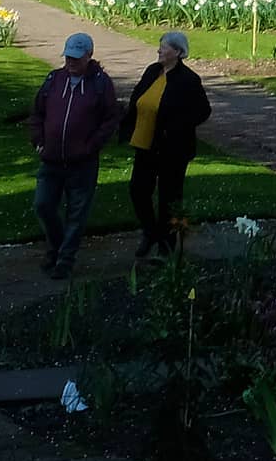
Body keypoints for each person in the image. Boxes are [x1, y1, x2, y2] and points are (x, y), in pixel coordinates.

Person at [26, 32, 121, 278]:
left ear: (89, 56)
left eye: (77, 58)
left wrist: (91, 145)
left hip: (82, 163)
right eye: (68, 57)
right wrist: (38, 141)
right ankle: (57, 248)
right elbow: (37, 113)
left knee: (77, 214)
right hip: (52, 159)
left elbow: (111, 119)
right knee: (43, 205)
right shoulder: (54, 80)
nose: (71, 62)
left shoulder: (100, 84)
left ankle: (64, 260)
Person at [125, 29, 212, 258]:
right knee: (138, 190)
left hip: (172, 150)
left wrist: (177, 127)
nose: (159, 50)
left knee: (169, 199)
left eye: (164, 47)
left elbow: (203, 111)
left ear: (178, 52)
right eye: (160, 45)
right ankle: (150, 232)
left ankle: (167, 246)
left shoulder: (188, 80)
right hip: (145, 144)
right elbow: (138, 98)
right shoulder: (153, 71)